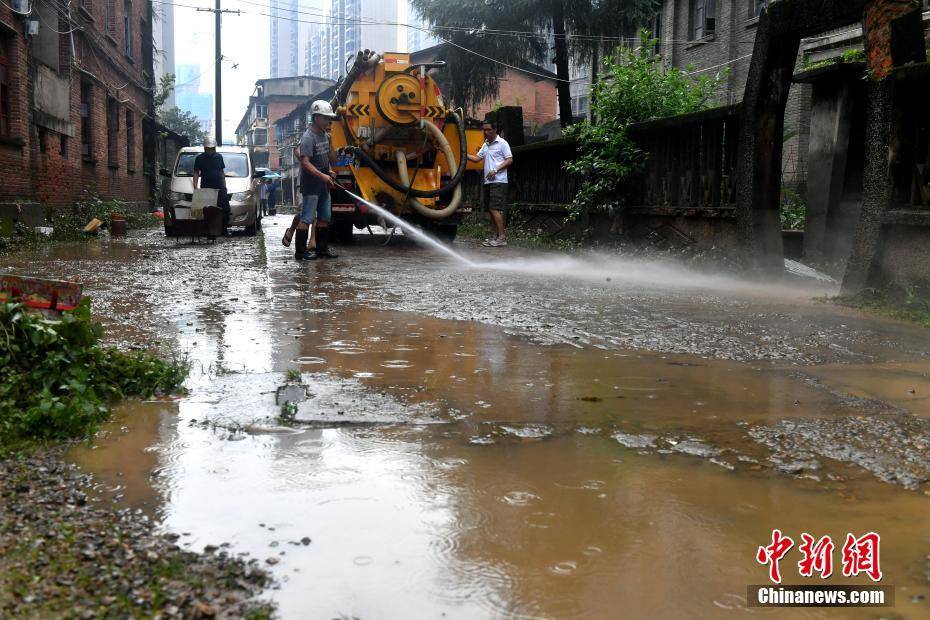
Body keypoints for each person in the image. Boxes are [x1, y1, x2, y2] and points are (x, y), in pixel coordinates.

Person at [295, 100, 339, 260]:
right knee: (307, 217)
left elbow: (332, 160)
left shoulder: (324, 136)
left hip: (323, 184)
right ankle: (300, 252)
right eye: (326, 118)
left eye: (329, 118)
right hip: (311, 184)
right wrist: (323, 176)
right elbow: (305, 162)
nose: (329, 122)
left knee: (324, 218)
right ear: (316, 118)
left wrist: (330, 171)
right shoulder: (308, 137)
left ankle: (322, 249)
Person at [467, 120, 513, 247]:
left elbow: (509, 160)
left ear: (495, 129)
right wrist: (464, 154)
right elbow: (477, 159)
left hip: (499, 181)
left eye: (488, 129)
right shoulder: (486, 144)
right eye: (484, 130)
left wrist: (495, 169)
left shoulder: (502, 143)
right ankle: (495, 236)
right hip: (488, 182)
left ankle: (502, 237)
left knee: (494, 208)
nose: (486, 132)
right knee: (490, 210)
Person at [192, 135, 231, 235]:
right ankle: (208, 229)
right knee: (207, 210)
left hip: (219, 187)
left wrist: (224, 185)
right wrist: (195, 187)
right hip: (206, 187)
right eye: (208, 148)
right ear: (205, 148)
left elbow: (221, 172)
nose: (210, 150)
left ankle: (223, 229)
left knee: (225, 208)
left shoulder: (219, 157)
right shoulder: (199, 158)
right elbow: (196, 172)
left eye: (212, 148)